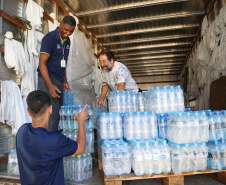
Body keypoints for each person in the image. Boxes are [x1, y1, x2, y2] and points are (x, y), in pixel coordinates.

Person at [16, 90, 88, 185]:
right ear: (50, 109)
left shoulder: (21, 131)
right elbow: (81, 148)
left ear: (28, 111)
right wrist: (81, 121)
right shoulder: (54, 140)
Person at [37, 15, 76, 131]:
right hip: (47, 79)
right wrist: (49, 85)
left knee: (59, 111)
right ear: (61, 24)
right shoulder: (49, 38)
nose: (68, 33)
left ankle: (55, 138)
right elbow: (42, 63)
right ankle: (50, 142)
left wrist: (64, 82)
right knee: (53, 111)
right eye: (66, 29)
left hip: (58, 80)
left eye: (71, 31)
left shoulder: (67, 41)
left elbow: (62, 63)